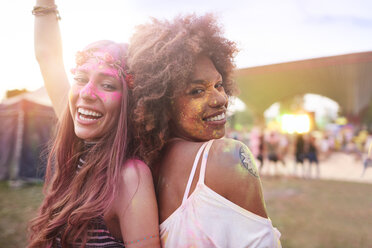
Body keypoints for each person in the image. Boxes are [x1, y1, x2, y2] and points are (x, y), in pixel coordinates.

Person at [128, 14, 282, 247]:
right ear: (162, 104)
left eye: (219, 85)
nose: (220, 98)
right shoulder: (226, 157)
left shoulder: (138, 168)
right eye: (197, 91)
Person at [29, 1, 160, 247]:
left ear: (130, 104)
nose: (86, 93)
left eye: (108, 85)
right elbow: (47, 56)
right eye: (80, 78)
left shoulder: (129, 176)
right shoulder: (80, 139)